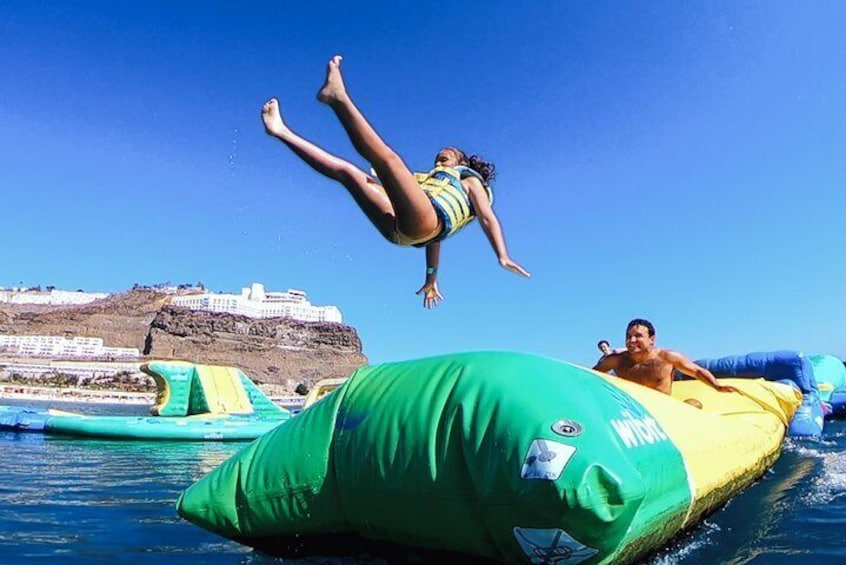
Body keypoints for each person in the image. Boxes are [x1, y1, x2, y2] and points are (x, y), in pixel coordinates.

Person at [261, 55, 530, 309]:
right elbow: (433, 240)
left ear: (461, 162)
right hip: (405, 231)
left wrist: (502, 255)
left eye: (448, 154)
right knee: (348, 173)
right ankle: (281, 131)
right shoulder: (428, 184)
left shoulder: (468, 181)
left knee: (388, 159)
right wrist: (431, 279)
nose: (441, 155)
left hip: (420, 226)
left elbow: (486, 217)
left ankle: (338, 98)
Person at [593, 318, 733, 396]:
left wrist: (717, 386)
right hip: (632, 411)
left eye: (638, 336)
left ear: (652, 339)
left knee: (694, 404)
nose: (632, 340)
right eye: (628, 337)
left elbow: (696, 371)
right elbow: (589, 375)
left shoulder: (667, 358)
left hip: (662, 409)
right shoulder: (616, 360)